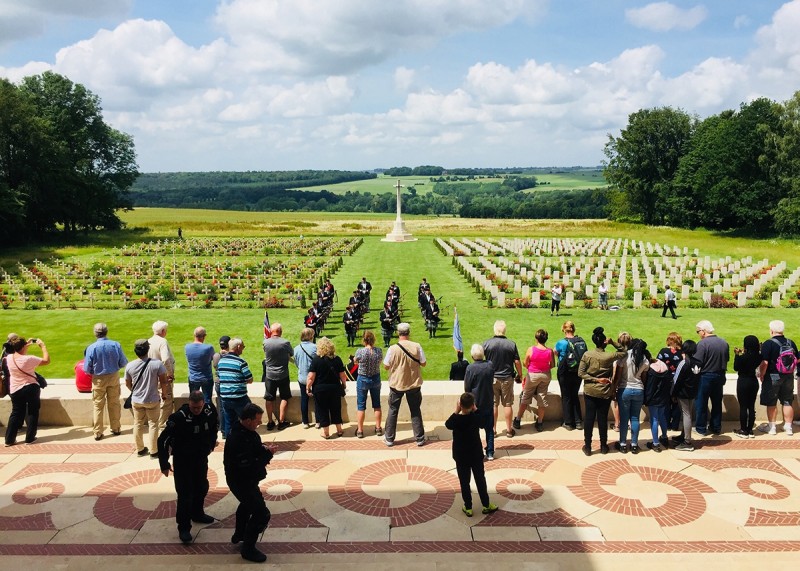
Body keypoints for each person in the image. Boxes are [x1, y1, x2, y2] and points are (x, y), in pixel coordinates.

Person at [158, 390, 218, 544]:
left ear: (203, 403)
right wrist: (164, 464)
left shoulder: (209, 411)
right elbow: (163, 440)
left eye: (198, 407)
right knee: (185, 495)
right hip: (183, 461)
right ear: (189, 404)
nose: (196, 411)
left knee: (202, 487)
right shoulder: (179, 418)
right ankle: (184, 528)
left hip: (200, 459)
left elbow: (213, 428)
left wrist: (210, 445)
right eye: (193, 408)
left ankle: (197, 513)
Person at [224, 403, 275, 563]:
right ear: (247, 420)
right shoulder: (237, 438)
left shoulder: (247, 432)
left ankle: (239, 534)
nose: (259, 424)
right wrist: (267, 455)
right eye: (257, 421)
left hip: (247, 481)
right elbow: (249, 465)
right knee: (261, 514)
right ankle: (248, 548)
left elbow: (254, 449)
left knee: (246, 505)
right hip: (241, 482)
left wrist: (264, 450)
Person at [445, 392, 499, 517]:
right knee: (480, 480)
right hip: (475, 455)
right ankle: (486, 504)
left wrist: (456, 411)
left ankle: (468, 506)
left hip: (461, 456)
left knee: (464, 482)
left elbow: (448, 424)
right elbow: (483, 423)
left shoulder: (456, 420)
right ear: (472, 405)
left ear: (460, 405)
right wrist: (476, 409)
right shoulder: (476, 418)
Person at [578, 327, 627, 456]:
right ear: (604, 342)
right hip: (605, 393)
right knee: (602, 419)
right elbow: (624, 351)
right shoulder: (609, 356)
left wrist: (595, 379)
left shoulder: (587, 355)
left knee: (589, 419)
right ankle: (604, 446)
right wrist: (612, 342)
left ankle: (588, 447)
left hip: (590, 391)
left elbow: (581, 373)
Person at [383, 322, 426, 447]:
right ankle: (419, 438)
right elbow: (423, 363)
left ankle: (389, 438)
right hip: (413, 383)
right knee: (415, 410)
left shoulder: (392, 348)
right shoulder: (417, 346)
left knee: (393, 410)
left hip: (397, 384)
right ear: (409, 333)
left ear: (398, 333)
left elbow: (386, 366)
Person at [84, 323, 128, 441]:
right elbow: (123, 362)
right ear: (106, 332)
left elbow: (87, 368)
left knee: (98, 405)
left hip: (98, 379)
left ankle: (98, 432)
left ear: (95, 333)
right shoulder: (115, 345)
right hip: (113, 376)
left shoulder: (91, 348)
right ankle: (116, 428)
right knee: (114, 403)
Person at [3, 334, 49, 447]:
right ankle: (30, 438)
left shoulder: (8, 358)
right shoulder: (29, 359)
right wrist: (43, 347)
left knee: (16, 413)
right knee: (33, 412)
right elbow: (46, 361)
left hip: (15, 389)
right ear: (22, 347)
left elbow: (19, 355)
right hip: (30, 388)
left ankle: (9, 440)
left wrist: (24, 346)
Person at [125, 339, 167, 457]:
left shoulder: (130, 365)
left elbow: (128, 383)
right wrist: (164, 394)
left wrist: (135, 391)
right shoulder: (157, 364)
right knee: (153, 424)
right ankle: (154, 451)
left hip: (137, 400)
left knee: (137, 423)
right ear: (148, 350)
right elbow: (163, 381)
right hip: (152, 400)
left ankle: (140, 449)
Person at [482, 320, 524, 438]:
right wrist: (520, 375)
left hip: (492, 379)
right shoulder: (511, 344)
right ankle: (509, 430)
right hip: (507, 378)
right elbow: (517, 362)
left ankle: (493, 430)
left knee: (494, 404)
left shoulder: (486, 343)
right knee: (507, 404)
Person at [757, 320, 798, 436]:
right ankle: (788, 427)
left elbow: (764, 363)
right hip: (788, 376)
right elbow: (797, 359)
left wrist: (762, 374)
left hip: (773, 376)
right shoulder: (791, 342)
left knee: (771, 401)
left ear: (771, 331)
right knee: (787, 401)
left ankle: (772, 427)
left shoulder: (768, 344)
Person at [515, 329, 556, 432]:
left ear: (536, 339)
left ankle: (518, 419)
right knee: (542, 398)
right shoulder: (549, 351)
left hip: (533, 375)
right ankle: (540, 422)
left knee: (526, 396)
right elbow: (552, 365)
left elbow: (525, 363)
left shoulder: (531, 349)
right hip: (545, 376)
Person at [307, 337, 347, 439]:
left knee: (322, 410)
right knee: (336, 409)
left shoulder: (316, 360)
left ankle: (326, 432)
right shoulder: (337, 359)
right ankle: (339, 430)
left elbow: (311, 377)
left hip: (320, 390)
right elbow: (342, 375)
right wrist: (344, 385)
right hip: (334, 388)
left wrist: (308, 387)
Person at [694, 320, 730, 436]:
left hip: (705, 376)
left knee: (701, 403)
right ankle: (716, 426)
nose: (698, 333)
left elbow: (697, 362)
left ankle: (700, 428)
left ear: (704, 331)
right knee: (716, 402)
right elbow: (727, 359)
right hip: (720, 375)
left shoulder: (702, 344)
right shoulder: (724, 343)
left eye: (698, 331)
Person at [614, 339, 650, 454]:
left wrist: (613, 389)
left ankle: (623, 444)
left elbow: (618, 377)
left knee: (624, 419)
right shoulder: (644, 359)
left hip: (624, 390)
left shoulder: (625, 356)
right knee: (635, 418)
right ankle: (634, 444)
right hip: (639, 390)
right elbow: (644, 379)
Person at [464, 343, 496, 460]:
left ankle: (478, 451)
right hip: (487, 401)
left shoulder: (470, 368)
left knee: (474, 430)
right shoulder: (490, 365)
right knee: (489, 429)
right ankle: (490, 452)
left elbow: (467, 388)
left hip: (475, 404)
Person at [217, 338, 254, 437]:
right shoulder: (241, 362)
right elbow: (250, 379)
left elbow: (220, 377)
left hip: (225, 398)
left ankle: (230, 443)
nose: (243, 349)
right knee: (248, 420)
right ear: (238, 347)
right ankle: (247, 441)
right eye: (243, 346)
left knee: (229, 423)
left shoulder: (221, 361)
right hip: (239, 398)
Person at [554, 321, 586, 431]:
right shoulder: (581, 342)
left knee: (566, 396)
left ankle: (568, 422)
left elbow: (555, 353)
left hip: (565, 371)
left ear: (564, 330)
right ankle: (578, 422)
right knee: (574, 395)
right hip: (578, 372)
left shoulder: (561, 343)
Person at [262, 323, 294, 431]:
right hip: (283, 374)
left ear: (271, 331)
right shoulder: (285, 342)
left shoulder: (265, 342)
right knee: (284, 397)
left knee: (269, 398)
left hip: (270, 375)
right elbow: (291, 353)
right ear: (280, 331)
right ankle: (281, 421)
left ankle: (270, 422)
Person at [353, 330, 383, 438]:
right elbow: (379, 362)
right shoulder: (378, 351)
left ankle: (360, 430)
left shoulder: (360, 351)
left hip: (363, 379)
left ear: (364, 340)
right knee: (377, 404)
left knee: (361, 405)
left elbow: (355, 362)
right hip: (375, 379)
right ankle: (378, 428)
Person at [672, 340, 700, 451]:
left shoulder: (683, 363)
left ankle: (687, 442)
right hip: (693, 392)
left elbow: (676, 380)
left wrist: (673, 393)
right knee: (688, 414)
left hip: (683, 393)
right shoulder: (698, 362)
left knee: (686, 414)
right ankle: (684, 436)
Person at [148, 320, 176, 430]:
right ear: (163, 331)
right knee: (166, 401)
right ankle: (163, 425)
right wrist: (170, 373)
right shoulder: (162, 342)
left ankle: (157, 423)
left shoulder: (148, 341)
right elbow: (165, 359)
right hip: (162, 376)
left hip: (152, 375)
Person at [733, 335, 761, 438]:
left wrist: (737, 354)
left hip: (743, 382)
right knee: (751, 406)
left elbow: (736, 367)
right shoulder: (758, 356)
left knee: (743, 407)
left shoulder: (743, 358)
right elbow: (755, 356)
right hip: (753, 382)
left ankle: (743, 430)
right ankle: (750, 430)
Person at [644, 359, 671, 452]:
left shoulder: (651, 371)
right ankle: (664, 437)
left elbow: (650, 388)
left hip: (653, 399)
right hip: (663, 397)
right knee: (662, 417)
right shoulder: (665, 369)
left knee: (654, 419)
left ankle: (655, 443)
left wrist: (646, 399)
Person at [293, 328, 317, 429]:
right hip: (314, 378)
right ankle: (319, 421)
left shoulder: (296, 348)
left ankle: (305, 422)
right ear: (311, 336)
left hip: (302, 378)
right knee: (317, 400)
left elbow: (296, 363)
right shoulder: (315, 348)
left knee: (304, 399)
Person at [185, 326, 214, 404]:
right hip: (206, 378)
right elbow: (212, 358)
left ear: (194, 335)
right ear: (204, 336)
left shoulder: (187, 347)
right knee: (207, 400)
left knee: (194, 401)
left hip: (193, 378)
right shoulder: (209, 348)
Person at [212, 335, 231, 438]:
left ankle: (223, 431)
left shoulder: (216, 356)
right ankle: (229, 430)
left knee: (222, 408)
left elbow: (215, 367)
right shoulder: (231, 355)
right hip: (228, 382)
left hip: (218, 383)